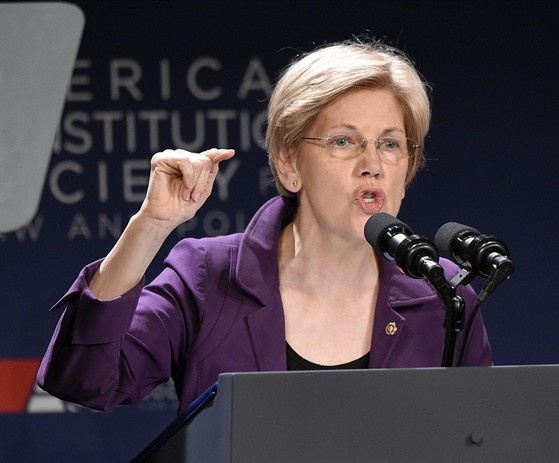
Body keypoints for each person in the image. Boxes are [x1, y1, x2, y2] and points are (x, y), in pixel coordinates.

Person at [37, 39, 493, 415]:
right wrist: (151, 226)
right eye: (343, 141)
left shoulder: (443, 295)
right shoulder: (209, 277)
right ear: (288, 162)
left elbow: (479, 437)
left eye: (390, 144)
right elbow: (83, 381)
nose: (372, 163)